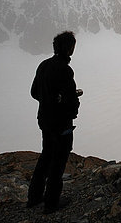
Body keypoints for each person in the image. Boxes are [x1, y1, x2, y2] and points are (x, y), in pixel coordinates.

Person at [27, 31, 82, 214]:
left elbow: (34, 92)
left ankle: (34, 198)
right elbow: (71, 100)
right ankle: (51, 204)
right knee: (58, 163)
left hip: (44, 120)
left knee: (46, 157)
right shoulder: (65, 70)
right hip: (62, 124)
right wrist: (70, 106)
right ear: (69, 48)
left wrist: (49, 100)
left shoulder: (43, 65)